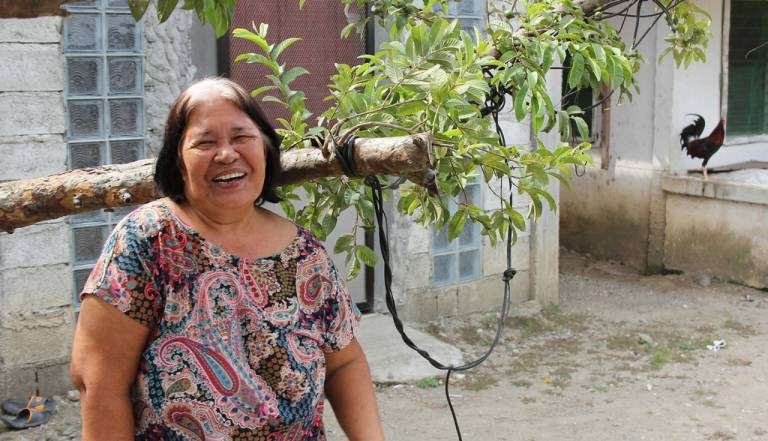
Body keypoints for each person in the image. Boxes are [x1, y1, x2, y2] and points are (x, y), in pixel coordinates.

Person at [70, 78, 384, 440]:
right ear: (178, 160)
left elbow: (345, 362)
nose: (226, 154)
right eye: (205, 142)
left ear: (265, 148)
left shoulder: (305, 255)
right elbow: (99, 384)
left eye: (241, 138)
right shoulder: (148, 241)